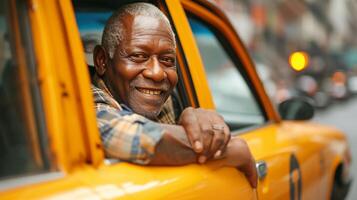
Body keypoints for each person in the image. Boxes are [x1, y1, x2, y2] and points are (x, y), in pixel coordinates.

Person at [91, 2, 257, 188]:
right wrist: (230, 150)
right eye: (138, 56)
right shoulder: (85, 102)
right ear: (102, 61)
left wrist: (191, 115)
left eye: (167, 60)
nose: (157, 73)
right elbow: (127, 134)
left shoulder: (166, 101)